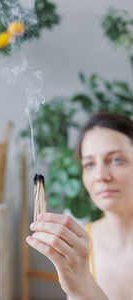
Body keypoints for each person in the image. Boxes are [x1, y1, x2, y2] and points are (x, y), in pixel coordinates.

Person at [26, 111, 133, 300]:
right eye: (89, 164)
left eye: (116, 160)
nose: (101, 176)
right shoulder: (79, 246)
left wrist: (84, 287)